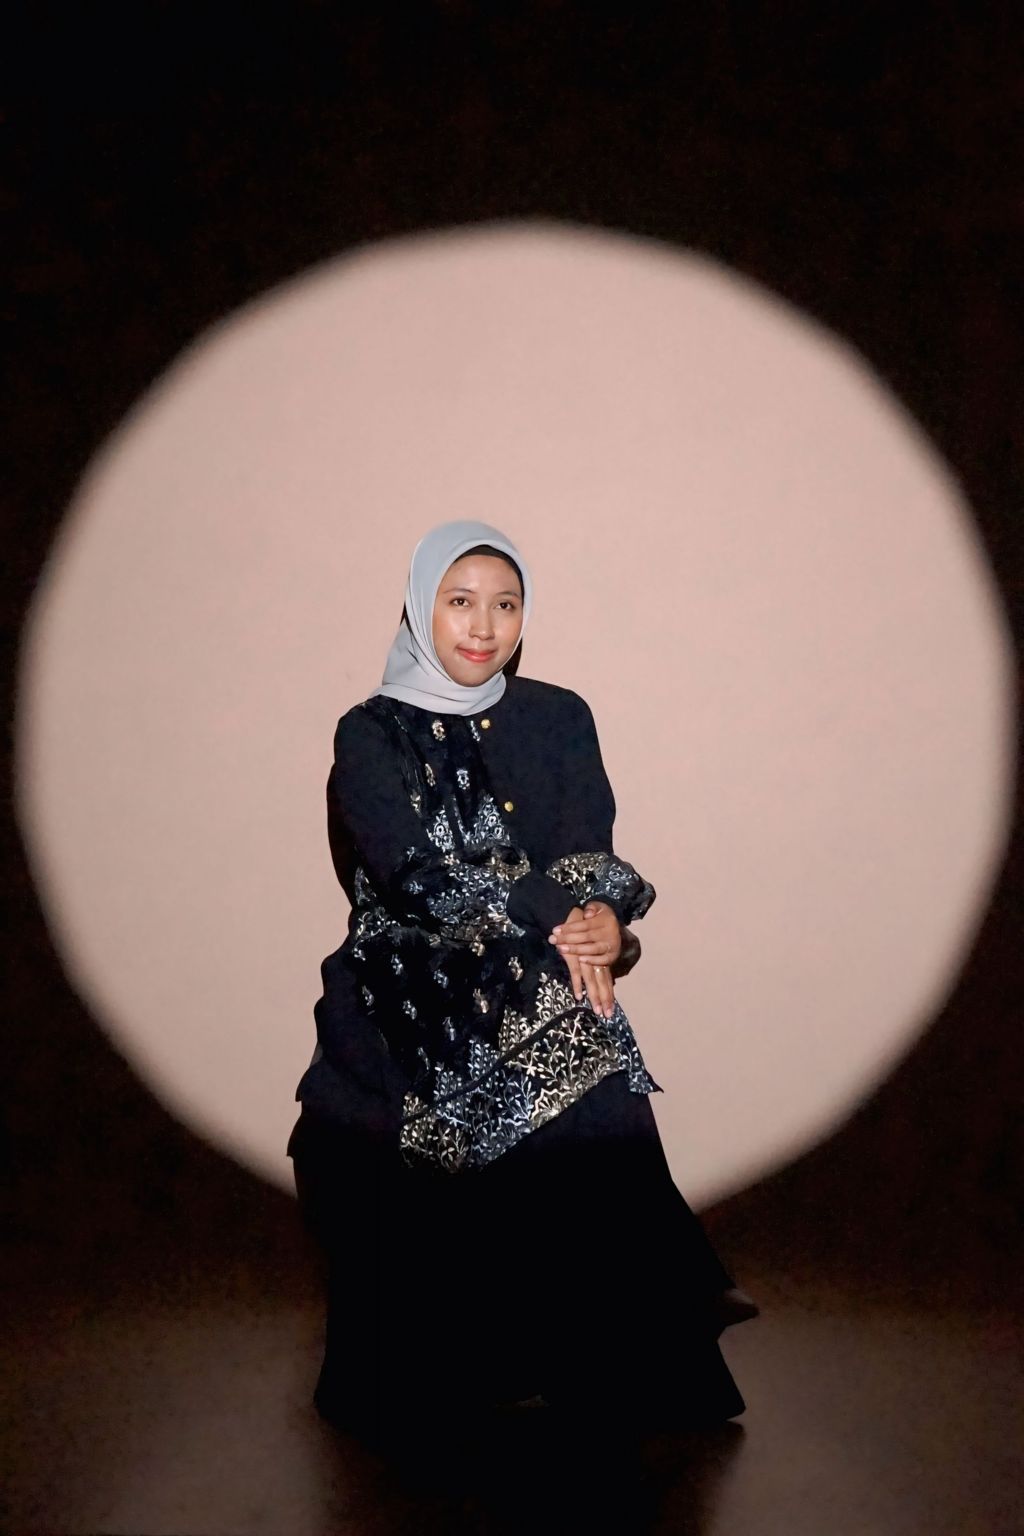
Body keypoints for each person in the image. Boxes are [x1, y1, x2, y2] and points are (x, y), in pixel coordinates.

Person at [287, 518, 758, 1443]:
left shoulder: (558, 715)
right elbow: (414, 876)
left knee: (566, 987)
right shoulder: (371, 731)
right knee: (562, 994)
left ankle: (637, 1321)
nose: (483, 626)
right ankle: (674, 1275)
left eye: (505, 605)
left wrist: (604, 918)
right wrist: (556, 918)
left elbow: (587, 846)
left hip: (535, 963)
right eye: (460, 602)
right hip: (407, 969)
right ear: (421, 610)